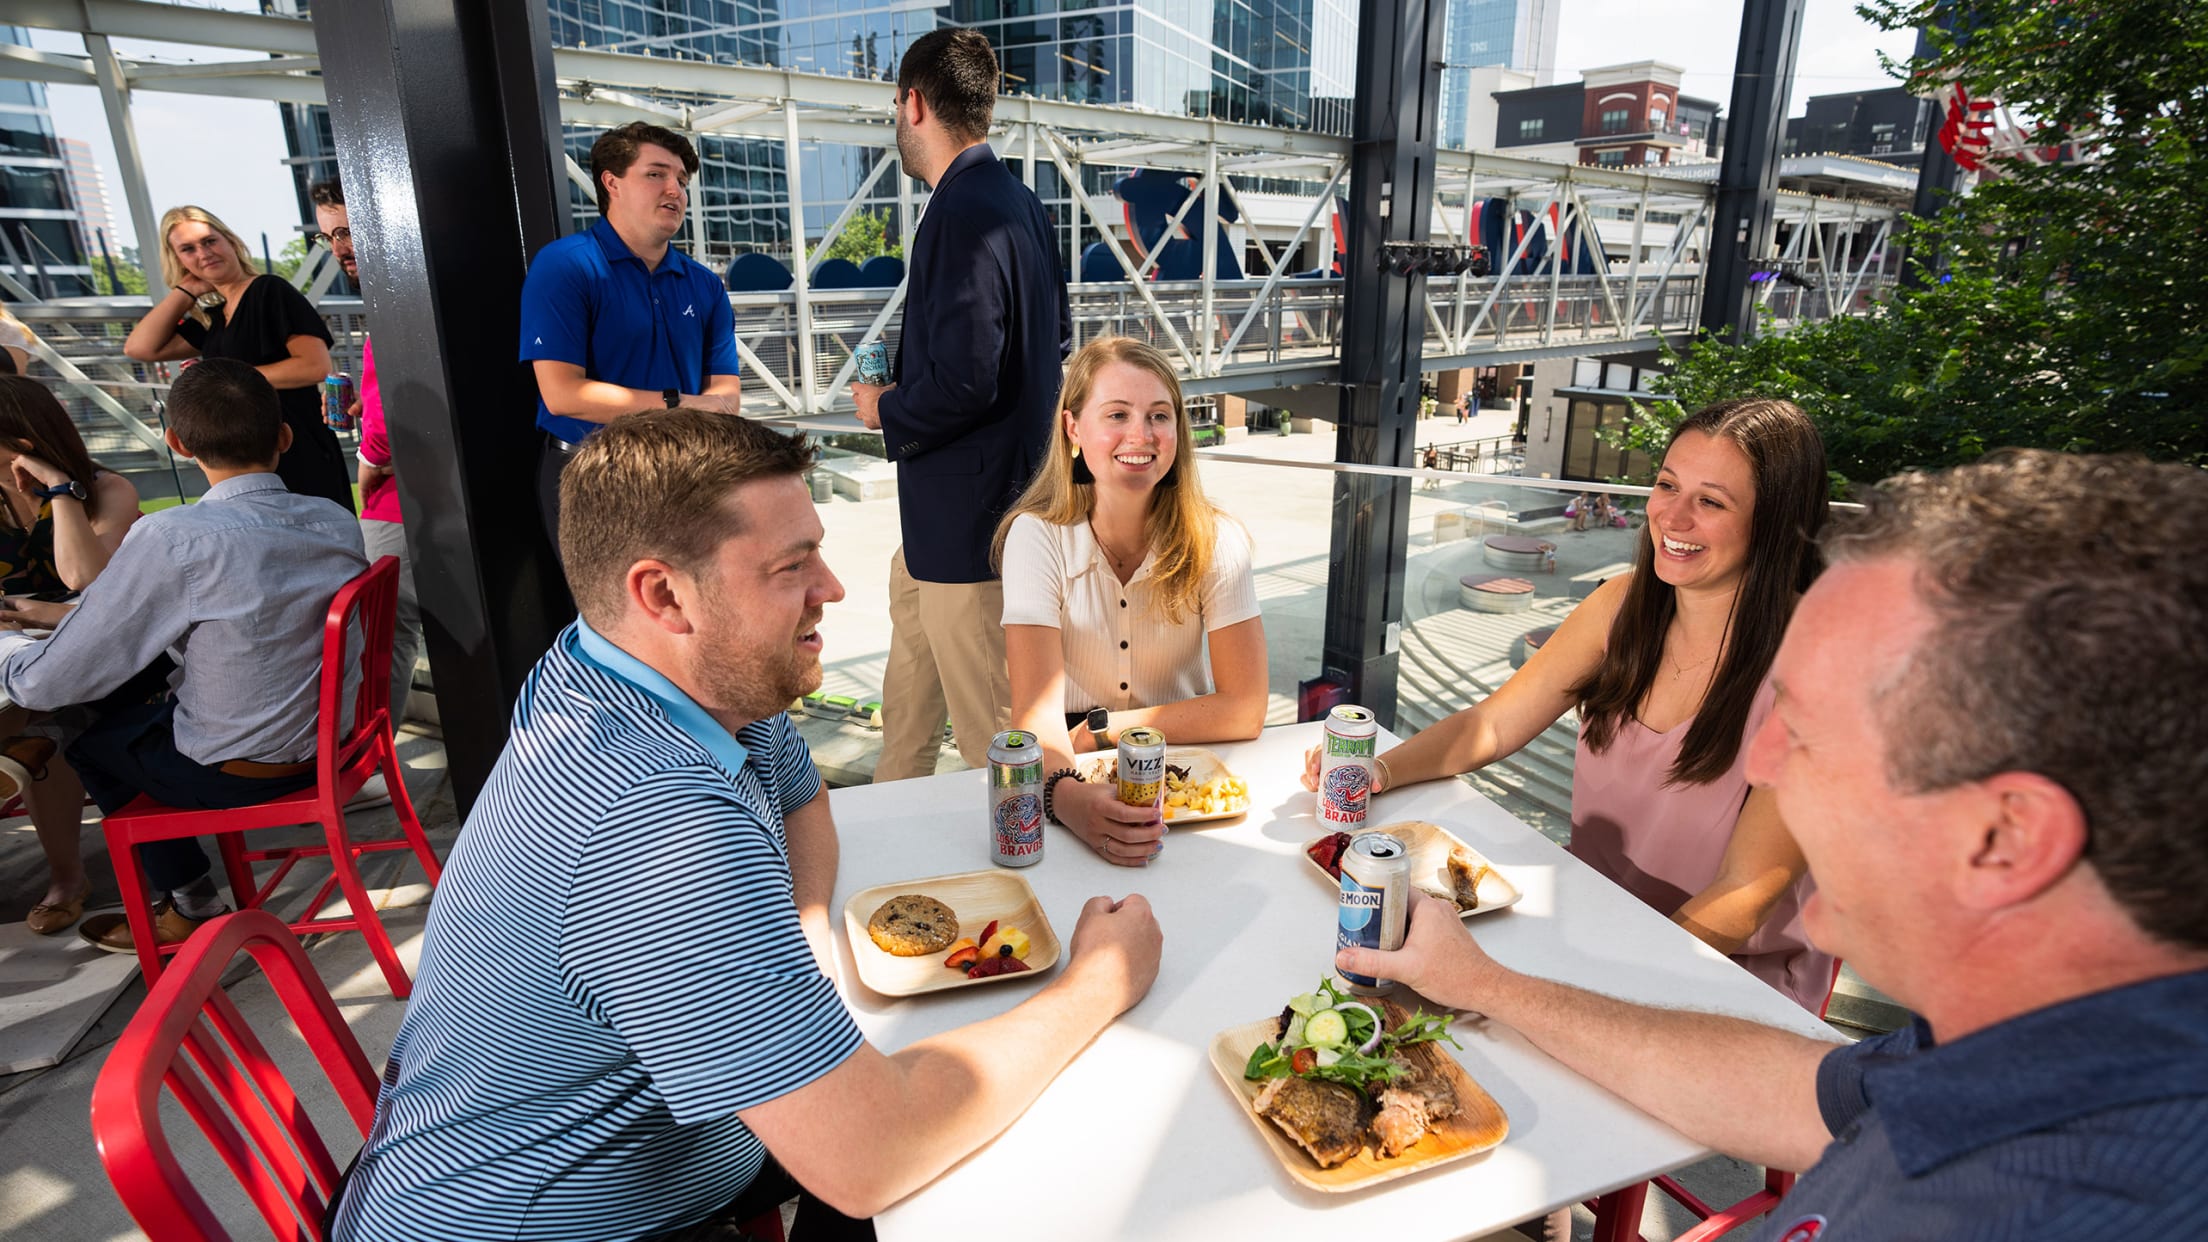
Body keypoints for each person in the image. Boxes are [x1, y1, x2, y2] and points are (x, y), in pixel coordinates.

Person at [330, 409, 1162, 1242]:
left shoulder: (655, 669)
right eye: (791, 565)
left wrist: (793, 952)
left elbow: (805, 801)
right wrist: (1098, 983)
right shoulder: (654, 822)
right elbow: (869, 1156)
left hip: (646, 1154)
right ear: (663, 596)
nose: (832, 588)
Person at [1344, 450, 2208, 1236]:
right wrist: (1489, 983)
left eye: (1814, 727)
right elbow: (1808, 1090)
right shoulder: (1990, 1052)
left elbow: (1748, 895)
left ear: (2006, 838)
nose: (1762, 760)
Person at [1305, 398, 1835, 1010]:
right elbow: (1494, 724)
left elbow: (1743, 894)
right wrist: (1379, 771)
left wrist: (1592, 1006)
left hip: (1719, 979)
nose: (1672, 516)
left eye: (1711, 501)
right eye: (1667, 485)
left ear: (1774, 522)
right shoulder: (1621, 603)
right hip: (1590, 926)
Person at [0, 359, 365, 955]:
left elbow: (43, 686)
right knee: (129, 710)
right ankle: (186, 896)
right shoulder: (331, 517)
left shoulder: (175, 536)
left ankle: (194, 905)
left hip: (235, 775)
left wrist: (8, 643)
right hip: (334, 747)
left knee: (92, 742)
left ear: (175, 442)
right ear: (284, 436)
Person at [849, 27, 1072, 782]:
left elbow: (966, 382)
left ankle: (1022, 890)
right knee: (907, 707)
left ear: (914, 103)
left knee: (998, 752)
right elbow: (1055, 340)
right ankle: (884, 837)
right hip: (960, 524)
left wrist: (884, 407)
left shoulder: (958, 212)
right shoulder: (1021, 203)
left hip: (970, 528)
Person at [996, 337, 1265, 868]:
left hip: (1182, 776)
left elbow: (1246, 708)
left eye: (1159, 416)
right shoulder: (1035, 537)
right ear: (1074, 430)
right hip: (1067, 765)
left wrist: (1105, 732)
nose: (1140, 435)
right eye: (1117, 414)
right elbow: (1035, 718)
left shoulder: (1219, 540)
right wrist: (1067, 799)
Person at [519, 121, 743, 543]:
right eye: (656, 174)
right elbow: (563, 394)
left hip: (686, 471)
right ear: (612, 183)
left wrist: (701, 413)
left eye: (681, 179)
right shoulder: (566, 267)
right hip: (592, 474)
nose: (674, 190)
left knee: (691, 605)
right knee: (609, 611)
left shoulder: (704, 284)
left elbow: (727, 396)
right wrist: (681, 406)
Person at [0, 376, 142, 934]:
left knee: (42, 721)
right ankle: (21, 753)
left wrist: (59, 493)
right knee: (30, 713)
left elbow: (88, 582)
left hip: (107, 654)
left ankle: (66, 876)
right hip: (21, 652)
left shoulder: (106, 491)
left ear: (25, 444)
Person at [122, 205, 355, 514]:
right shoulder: (213, 318)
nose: (204, 253)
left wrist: (226, 379)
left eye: (209, 241)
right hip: (243, 458)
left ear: (230, 241)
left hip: (295, 444)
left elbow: (315, 366)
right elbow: (140, 348)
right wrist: (187, 289)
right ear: (177, 260)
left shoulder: (269, 291)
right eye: (188, 249)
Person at [310, 176, 419, 730]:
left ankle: (371, 758)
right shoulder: (405, 292)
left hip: (399, 499)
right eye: (330, 236)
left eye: (350, 231)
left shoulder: (396, 298)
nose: (341, 247)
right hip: (422, 489)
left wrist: (371, 462)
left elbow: (397, 403)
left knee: (384, 632)